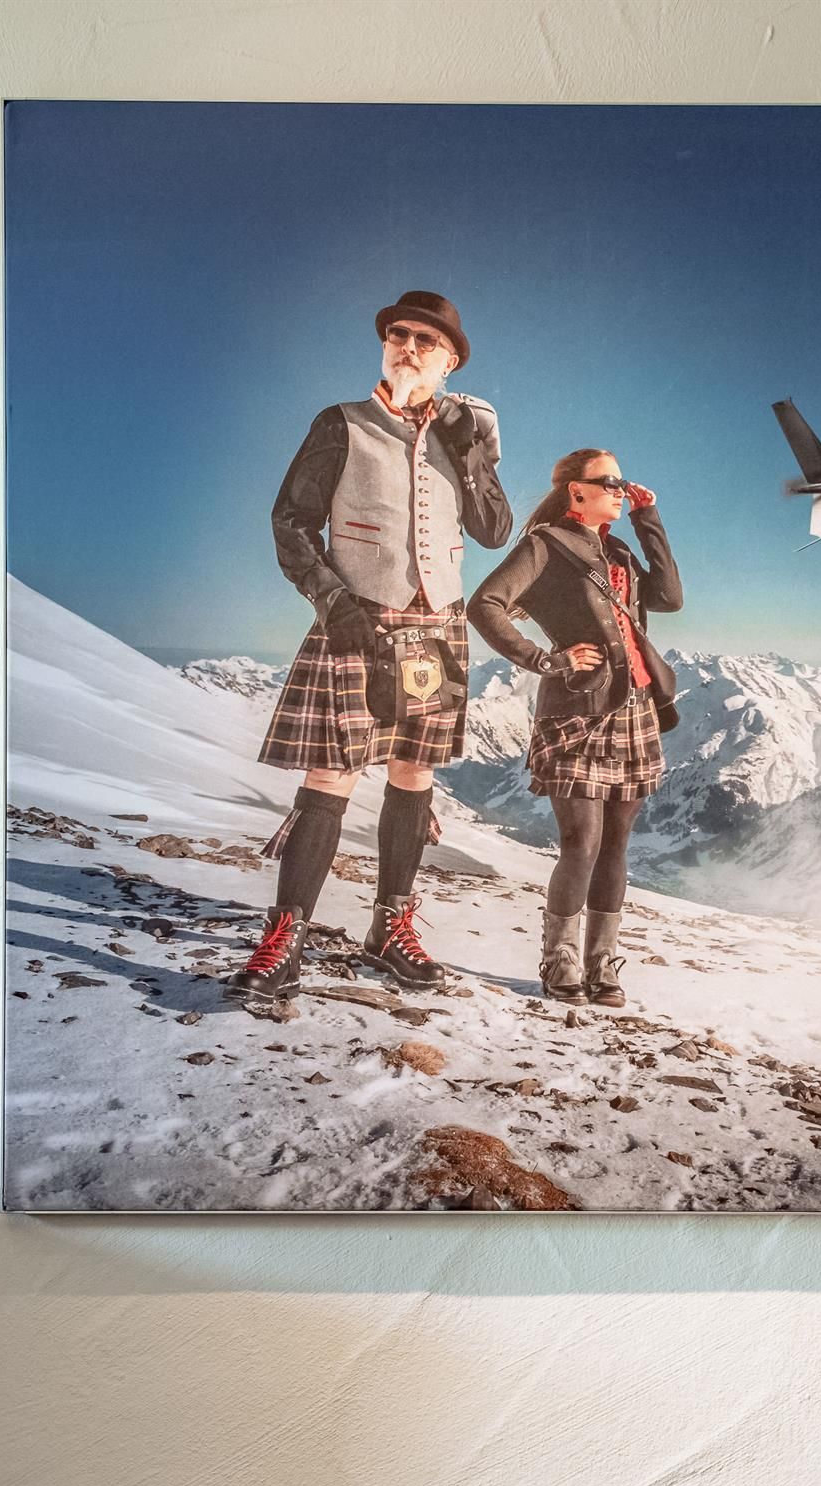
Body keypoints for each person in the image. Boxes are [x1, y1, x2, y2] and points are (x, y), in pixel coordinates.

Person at [231, 290, 513, 1016]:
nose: (407, 347)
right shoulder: (342, 423)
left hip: (437, 624)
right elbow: (291, 522)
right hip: (357, 618)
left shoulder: (467, 436)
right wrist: (333, 602)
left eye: (425, 340)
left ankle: (390, 928)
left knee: (414, 772)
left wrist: (470, 451)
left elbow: (492, 529)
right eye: (398, 335)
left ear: (450, 362)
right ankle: (286, 936)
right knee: (331, 773)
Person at [467, 447, 681, 1006]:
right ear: (576, 490)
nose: (620, 489)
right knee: (580, 841)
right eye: (609, 481)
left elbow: (669, 598)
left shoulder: (619, 550)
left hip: (636, 707)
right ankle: (559, 958)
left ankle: (601, 963)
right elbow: (484, 605)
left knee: (615, 843)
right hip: (577, 712)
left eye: (623, 482)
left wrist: (648, 519)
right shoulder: (544, 546)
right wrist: (546, 660)